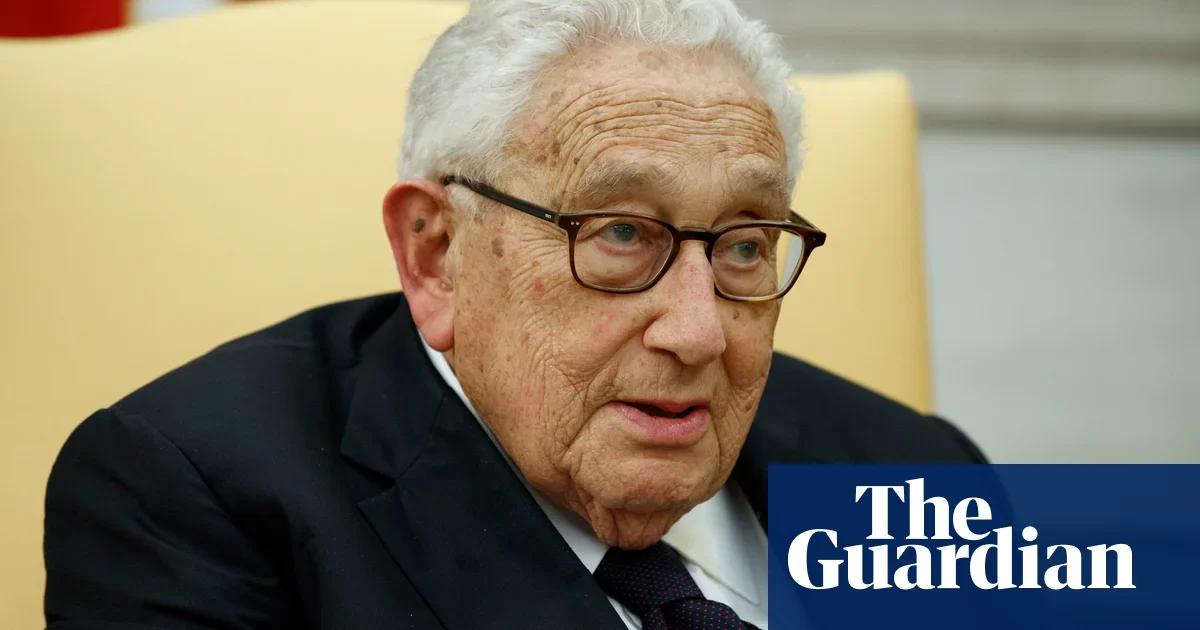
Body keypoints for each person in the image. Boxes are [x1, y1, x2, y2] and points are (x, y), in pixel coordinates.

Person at [43, 0, 987, 627]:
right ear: (436, 253)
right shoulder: (192, 496)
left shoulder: (920, 473)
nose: (698, 332)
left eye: (745, 244)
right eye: (620, 234)